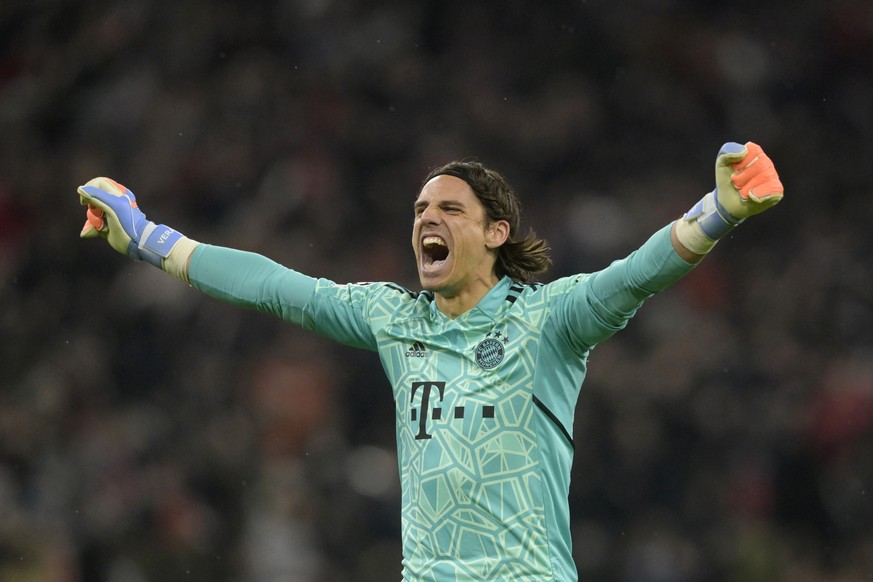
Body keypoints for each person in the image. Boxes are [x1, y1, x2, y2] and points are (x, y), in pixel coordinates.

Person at [77, 141, 783, 581]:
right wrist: (149, 239)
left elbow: (631, 276)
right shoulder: (393, 319)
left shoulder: (545, 321)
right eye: (419, 209)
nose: (425, 220)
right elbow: (273, 286)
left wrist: (715, 212)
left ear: (495, 231)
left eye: (448, 207)